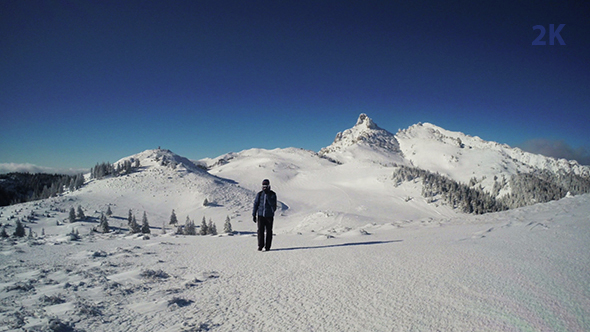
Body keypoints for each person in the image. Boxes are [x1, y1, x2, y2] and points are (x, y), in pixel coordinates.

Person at [252, 179, 277, 251]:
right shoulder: (259, 194)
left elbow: (273, 205)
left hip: (269, 216)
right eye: (263, 186)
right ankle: (260, 246)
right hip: (261, 216)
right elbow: (256, 204)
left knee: (269, 231)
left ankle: (268, 247)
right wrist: (254, 214)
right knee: (260, 231)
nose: (264, 187)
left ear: (269, 186)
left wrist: (267, 195)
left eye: (266, 186)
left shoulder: (272, 194)